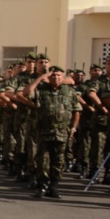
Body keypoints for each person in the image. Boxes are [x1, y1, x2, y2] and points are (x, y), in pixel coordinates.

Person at [24, 66, 80, 198]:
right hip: (44, 131)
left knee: (59, 161)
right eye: (53, 76)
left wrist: (74, 127)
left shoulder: (70, 91)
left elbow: (76, 110)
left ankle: (54, 186)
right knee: (43, 159)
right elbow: (26, 92)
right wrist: (39, 79)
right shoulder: (42, 90)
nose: (56, 78)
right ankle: (42, 185)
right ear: (49, 78)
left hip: (62, 131)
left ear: (63, 77)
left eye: (59, 75)